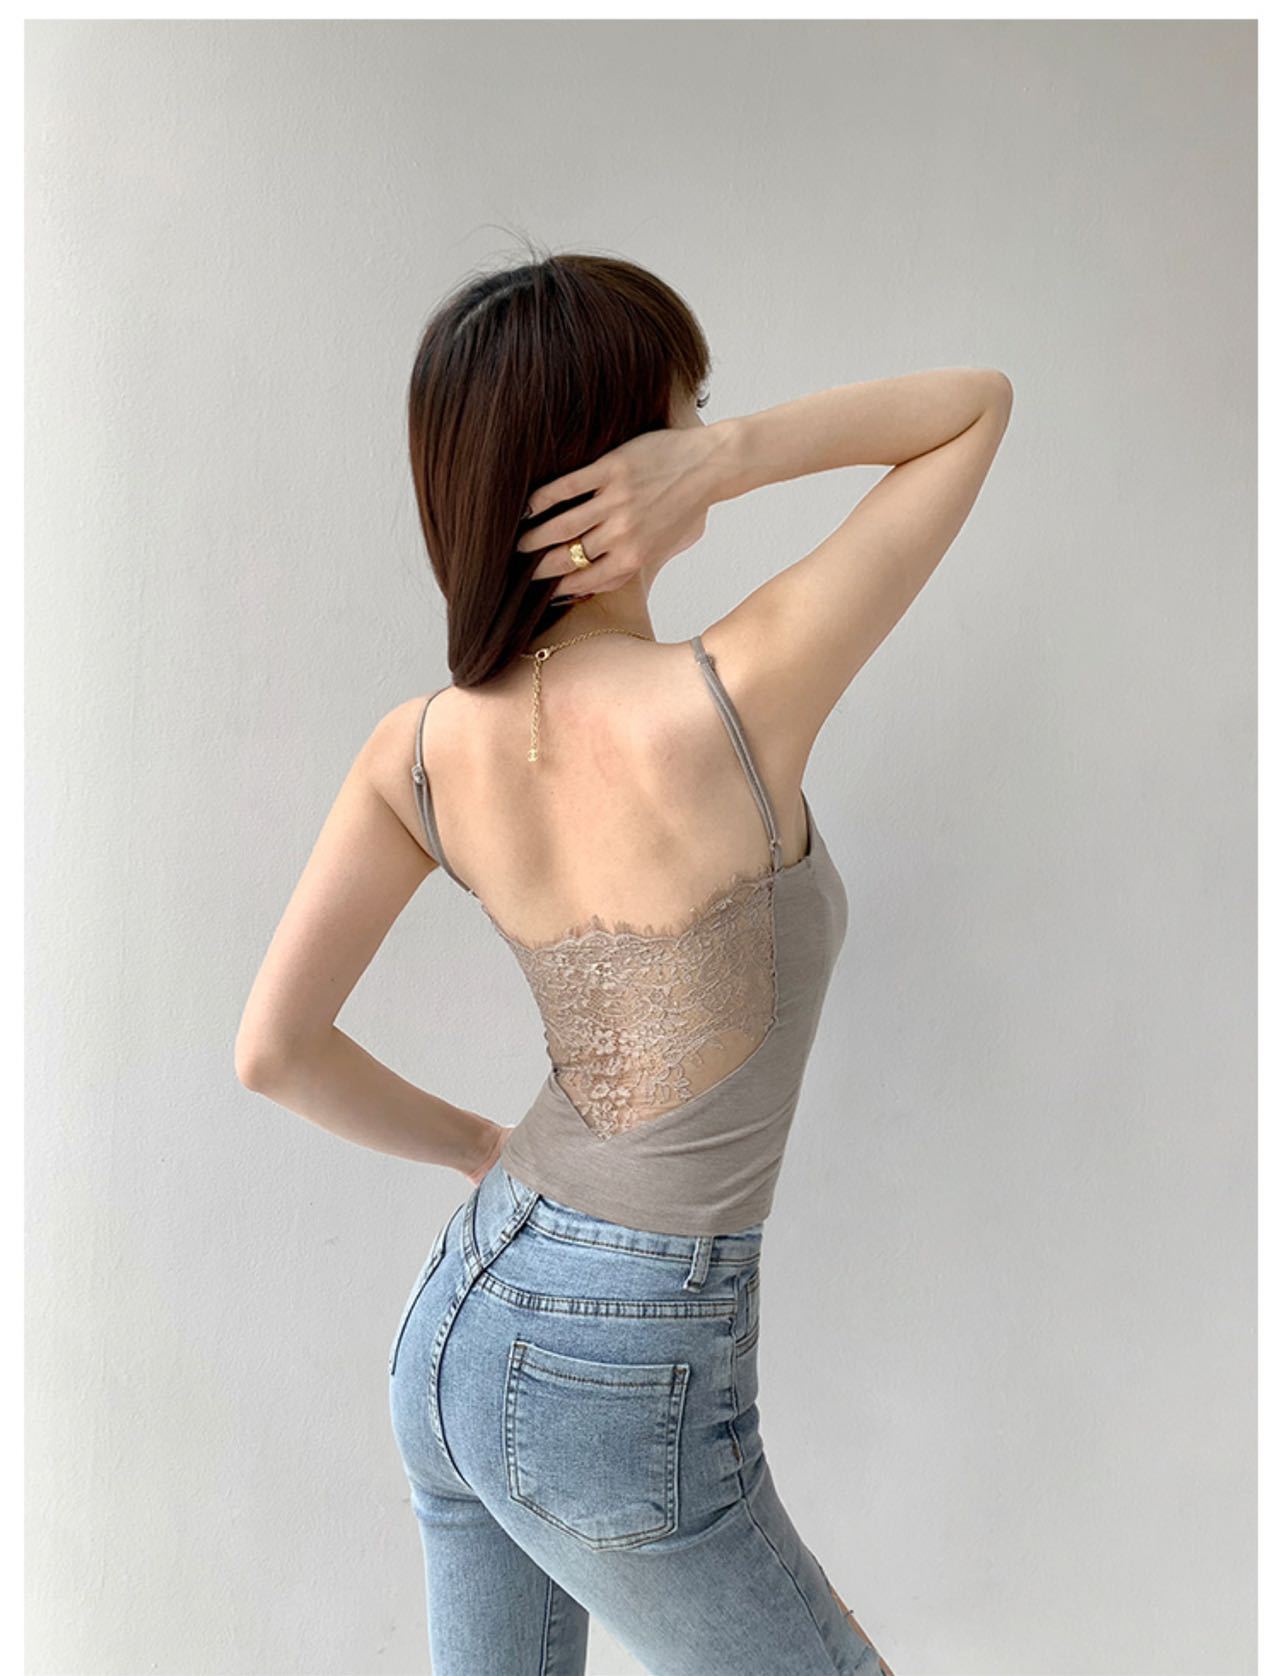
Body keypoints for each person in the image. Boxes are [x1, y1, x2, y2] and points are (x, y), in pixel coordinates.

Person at [236, 249, 1013, 1675]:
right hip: (622, 1357)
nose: (701, 428)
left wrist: (480, 1150)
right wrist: (731, 462)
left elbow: (274, 1052)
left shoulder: (419, 750)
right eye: (683, 408)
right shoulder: (736, 694)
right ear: (618, 457)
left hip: (462, 1312)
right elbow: (974, 407)